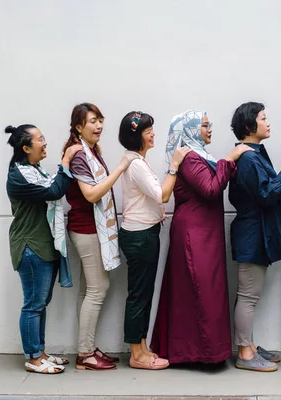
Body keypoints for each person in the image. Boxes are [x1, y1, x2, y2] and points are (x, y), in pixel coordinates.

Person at [151, 109, 252, 364]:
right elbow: (210, 189)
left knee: (204, 291)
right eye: (204, 125)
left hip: (205, 232)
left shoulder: (201, 156)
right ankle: (198, 353)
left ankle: (201, 351)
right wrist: (229, 159)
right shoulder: (189, 158)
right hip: (194, 234)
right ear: (191, 130)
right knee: (201, 290)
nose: (209, 129)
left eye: (209, 124)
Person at [63, 103, 136, 370]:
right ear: (78, 127)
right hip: (86, 229)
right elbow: (91, 195)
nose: (99, 126)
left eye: (100, 120)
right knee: (98, 289)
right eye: (92, 121)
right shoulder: (81, 155)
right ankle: (85, 354)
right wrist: (119, 169)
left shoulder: (89, 151)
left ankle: (87, 349)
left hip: (91, 228)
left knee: (88, 290)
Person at [5, 123, 82, 374]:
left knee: (41, 302)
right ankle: (33, 357)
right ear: (26, 147)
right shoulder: (19, 175)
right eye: (40, 139)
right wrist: (67, 160)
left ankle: (40, 352)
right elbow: (53, 190)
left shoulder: (33, 169)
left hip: (43, 245)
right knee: (33, 304)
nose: (45, 142)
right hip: (30, 246)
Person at [118, 111, 191, 370]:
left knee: (144, 293)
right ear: (136, 136)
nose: (153, 134)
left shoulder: (136, 160)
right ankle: (137, 355)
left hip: (144, 233)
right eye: (148, 131)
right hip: (139, 236)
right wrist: (174, 165)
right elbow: (162, 195)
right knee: (139, 295)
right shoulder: (136, 164)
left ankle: (143, 347)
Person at [228, 102, 281, 372]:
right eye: (263, 118)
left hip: (256, 231)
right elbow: (267, 195)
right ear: (249, 126)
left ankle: (250, 345)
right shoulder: (248, 158)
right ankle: (245, 354)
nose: (268, 123)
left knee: (249, 294)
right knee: (248, 295)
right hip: (252, 233)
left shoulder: (253, 154)